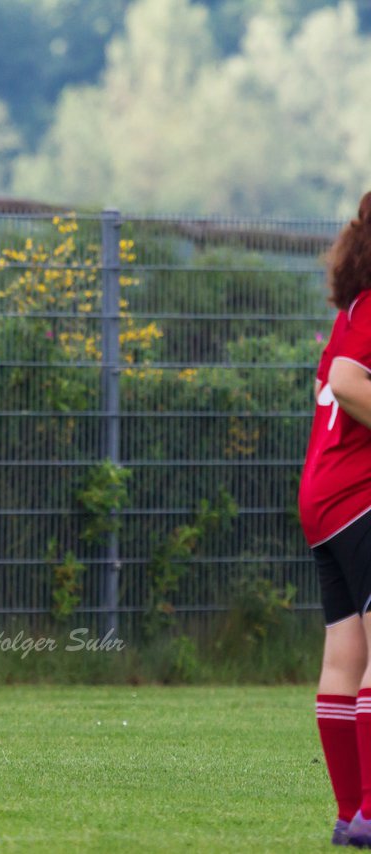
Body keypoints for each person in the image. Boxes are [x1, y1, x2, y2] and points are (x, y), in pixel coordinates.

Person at [298, 190, 371, 845]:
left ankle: (352, 816)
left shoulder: (353, 310)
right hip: (359, 496)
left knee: (344, 654)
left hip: (323, 497)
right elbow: (349, 383)